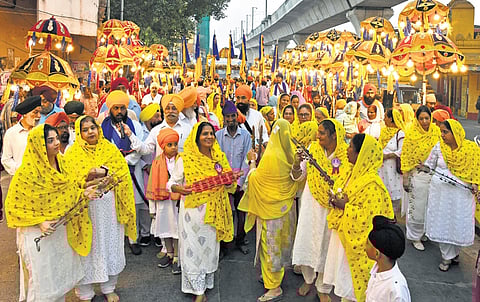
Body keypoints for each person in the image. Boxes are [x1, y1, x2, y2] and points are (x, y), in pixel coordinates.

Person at [5, 124, 101, 302]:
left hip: (60, 230)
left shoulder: (62, 162)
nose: (57, 143)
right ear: (39, 145)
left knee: (59, 279)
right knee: (42, 283)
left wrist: (85, 192)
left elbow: (70, 190)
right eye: (50, 141)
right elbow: (14, 208)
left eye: (56, 138)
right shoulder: (26, 173)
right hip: (37, 234)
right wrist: (39, 222)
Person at [64, 116, 136, 302]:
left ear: (99, 129)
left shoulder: (110, 149)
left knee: (109, 244)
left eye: (93, 128)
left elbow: (122, 175)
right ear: (79, 133)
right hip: (85, 210)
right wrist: (88, 179)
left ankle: (108, 287)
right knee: (87, 248)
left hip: (109, 209)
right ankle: (85, 292)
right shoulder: (72, 154)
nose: (90, 132)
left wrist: (108, 178)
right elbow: (69, 183)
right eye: (85, 129)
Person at [168, 122, 241, 302]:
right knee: (193, 249)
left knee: (209, 249)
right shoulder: (185, 159)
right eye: (204, 134)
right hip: (192, 212)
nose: (209, 137)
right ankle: (198, 290)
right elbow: (171, 183)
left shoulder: (219, 157)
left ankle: (205, 283)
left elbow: (230, 186)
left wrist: (230, 180)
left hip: (215, 211)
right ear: (196, 137)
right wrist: (179, 188)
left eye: (211, 134)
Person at [325, 133, 394, 302]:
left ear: (361, 153)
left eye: (351, 148)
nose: (347, 150)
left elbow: (368, 220)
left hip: (357, 245)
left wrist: (344, 206)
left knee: (352, 286)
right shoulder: (350, 172)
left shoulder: (372, 184)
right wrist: (335, 199)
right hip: (343, 236)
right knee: (343, 284)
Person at [239, 119, 301, 302]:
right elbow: (297, 177)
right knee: (280, 245)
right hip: (286, 209)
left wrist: (251, 163)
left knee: (269, 246)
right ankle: (272, 277)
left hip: (269, 210)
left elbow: (255, 180)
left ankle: (274, 287)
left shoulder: (272, 155)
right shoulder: (291, 154)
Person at [292, 119, 348, 301]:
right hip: (311, 205)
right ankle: (308, 279)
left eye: (322, 133)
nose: (318, 135)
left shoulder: (345, 155)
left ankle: (323, 286)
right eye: (318, 132)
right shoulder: (312, 150)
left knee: (328, 244)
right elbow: (297, 177)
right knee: (309, 239)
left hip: (333, 208)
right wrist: (295, 163)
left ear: (334, 135)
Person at [422, 119, 479, 271]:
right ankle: (447, 257)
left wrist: (475, 183)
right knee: (443, 221)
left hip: (461, 197)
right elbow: (429, 164)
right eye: (441, 132)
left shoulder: (471, 149)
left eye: (445, 132)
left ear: (456, 133)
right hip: (440, 196)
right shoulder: (439, 147)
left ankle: (454, 253)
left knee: (458, 222)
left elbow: (476, 171)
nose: (442, 135)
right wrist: (423, 168)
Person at [101, 90, 149, 255]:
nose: (119, 112)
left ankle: (133, 239)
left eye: (122, 108)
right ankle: (116, 240)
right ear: (110, 110)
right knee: (114, 207)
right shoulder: (103, 127)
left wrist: (125, 162)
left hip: (132, 170)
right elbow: (102, 150)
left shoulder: (135, 125)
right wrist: (116, 165)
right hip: (111, 173)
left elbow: (140, 148)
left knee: (133, 206)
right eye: (116, 108)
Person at [401, 105, 440, 251]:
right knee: (417, 206)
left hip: (434, 175)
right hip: (417, 175)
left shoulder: (436, 132)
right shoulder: (411, 134)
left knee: (430, 206)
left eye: (427, 118)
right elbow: (405, 155)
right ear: (417, 120)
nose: (424, 121)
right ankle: (414, 236)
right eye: (421, 118)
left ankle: (424, 232)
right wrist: (405, 177)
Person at [216, 101, 252, 255]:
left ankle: (240, 240)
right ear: (223, 119)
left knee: (241, 211)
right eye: (227, 117)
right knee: (224, 211)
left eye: (232, 116)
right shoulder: (218, 135)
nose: (230, 120)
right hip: (223, 180)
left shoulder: (245, 136)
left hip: (240, 180)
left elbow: (247, 158)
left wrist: (239, 182)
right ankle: (224, 245)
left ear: (237, 117)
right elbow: (216, 160)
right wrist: (223, 178)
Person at [147, 128, 182, 273]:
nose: (173, 147)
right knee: (166, 229)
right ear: (163, 146)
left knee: (177, 230)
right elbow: (152, 184)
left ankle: (177, 257)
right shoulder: (156, 162)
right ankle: (169, 253)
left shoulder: (182, 160)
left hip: (177, 202)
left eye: (175, 144)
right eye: (170, 145)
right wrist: (152, 209)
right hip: (162, 202)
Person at [365, 216, 411, 302]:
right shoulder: (377, 269)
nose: (364, 246)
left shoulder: (396, 291)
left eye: (367, 243)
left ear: (376, 253)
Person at [1, 96, 42, 176]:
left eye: (40, 112)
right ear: (25, 114)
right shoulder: (11, 133)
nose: (39, 116)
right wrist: (20, 170)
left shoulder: (42, 131)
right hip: (21, 179)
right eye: (35, 112)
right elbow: (6, 159)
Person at [378, 109, 406, 215]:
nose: (384, 119)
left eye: (385, 116)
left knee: (393, 195)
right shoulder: (384, 131)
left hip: (393, 169)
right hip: (382, 168)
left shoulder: (400, 133)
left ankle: (392, 217)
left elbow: (402, 151)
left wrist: (388, 156)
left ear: (390, 119)